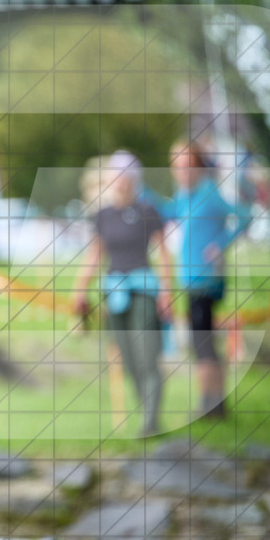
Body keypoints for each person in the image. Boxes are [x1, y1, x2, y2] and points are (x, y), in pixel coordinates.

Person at [73, 151, 172, 437]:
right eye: (114, 176)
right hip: (114, 292)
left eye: (123, 176)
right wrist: (80, 290)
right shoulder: (102, 216)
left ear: (132, 179)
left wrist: (166, 291)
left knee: (147, 356)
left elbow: (163, 254)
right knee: (127, 360)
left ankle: (150, 421)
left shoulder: (147, 211)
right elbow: (94, 255)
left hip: (143, 290)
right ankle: (147, 412)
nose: (118, 181)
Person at [154, 139, 252, 419]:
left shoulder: (209, 192)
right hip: (190, 279)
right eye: (176, 167)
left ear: (198, 166)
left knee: (201, 342)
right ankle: (216, 404)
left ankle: (208, 405)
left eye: (186, 166)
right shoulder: (185, 195)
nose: (181, 172)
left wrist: (221, 243)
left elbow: (244, 216)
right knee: (204, 341)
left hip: (207, 279)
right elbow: (167, 212)